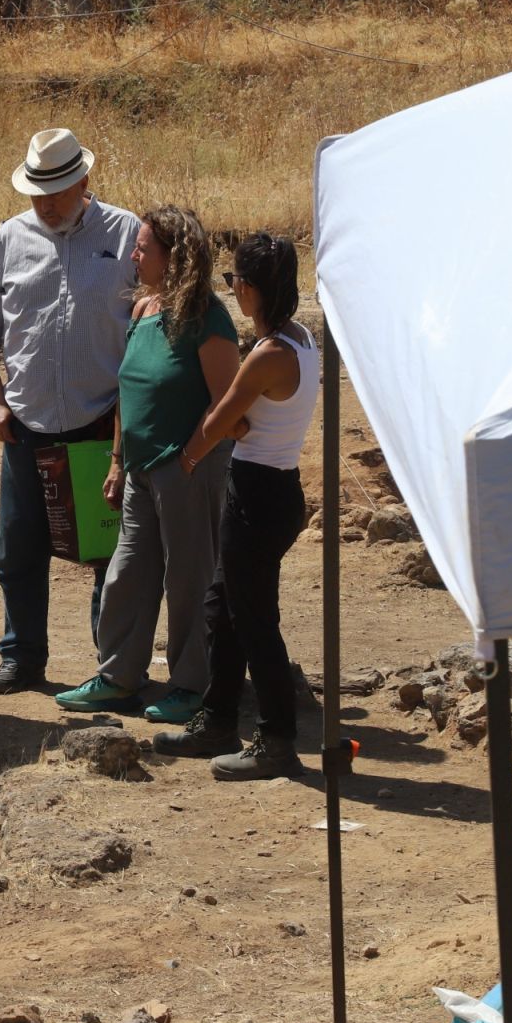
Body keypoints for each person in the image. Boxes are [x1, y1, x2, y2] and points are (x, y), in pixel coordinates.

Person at [0, 129, 142, 696]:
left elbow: (152, 322)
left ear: (84, 182)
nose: (47, 204)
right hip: (26, 422)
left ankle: (111, 665)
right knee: (17, 548)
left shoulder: (127, 234)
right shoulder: (10, 239)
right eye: (38, 193)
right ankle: (22, 657)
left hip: (101, 422)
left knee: (106, 552)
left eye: (59, 192)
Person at [56, 205, 238, 724]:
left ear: (174, 256)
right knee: (128, 574)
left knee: (190, 580)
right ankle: (118, 677)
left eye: (143, 248)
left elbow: (227, 402)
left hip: (190, 469)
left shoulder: (208, 317)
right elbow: (128, 393)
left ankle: (191, 685)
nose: (133, 256)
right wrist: (117, 462)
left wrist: (189, 458)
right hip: (141, 469)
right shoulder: (144, 310)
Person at [155, 233, 317, 779]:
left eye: (233, 283)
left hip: (257, 494)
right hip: (273, 489)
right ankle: (218, 718)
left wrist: (186, 459)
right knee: (223, 609)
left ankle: (276, 739)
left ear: (248, 288)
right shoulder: (299, 340)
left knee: (253, 621)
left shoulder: (268, 354)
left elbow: (220, 421)